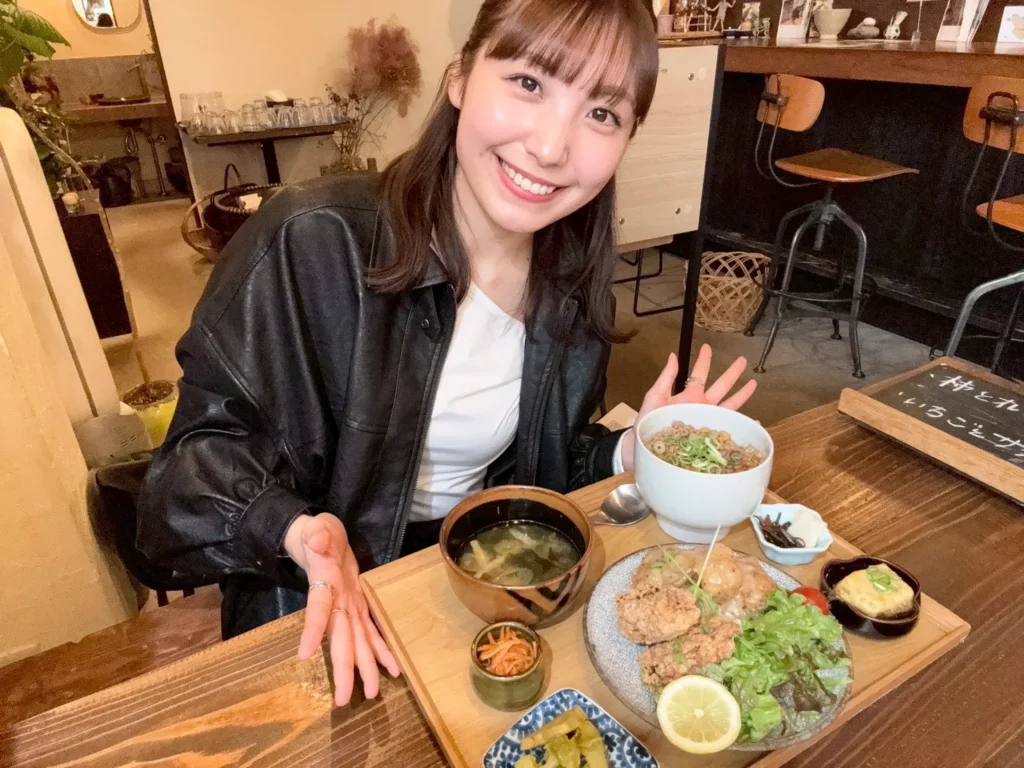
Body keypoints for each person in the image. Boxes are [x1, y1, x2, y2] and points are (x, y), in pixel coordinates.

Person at [136, 0, 756, 708]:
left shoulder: (571, 286)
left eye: (601, 113)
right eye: (529, 82)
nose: (552, 147)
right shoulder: (312, 240)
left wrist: (632, 452)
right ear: (460, 78)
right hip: (317, 604)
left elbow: (542, 465)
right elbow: (179, 485)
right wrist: (295, 529)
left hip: (481, 590)